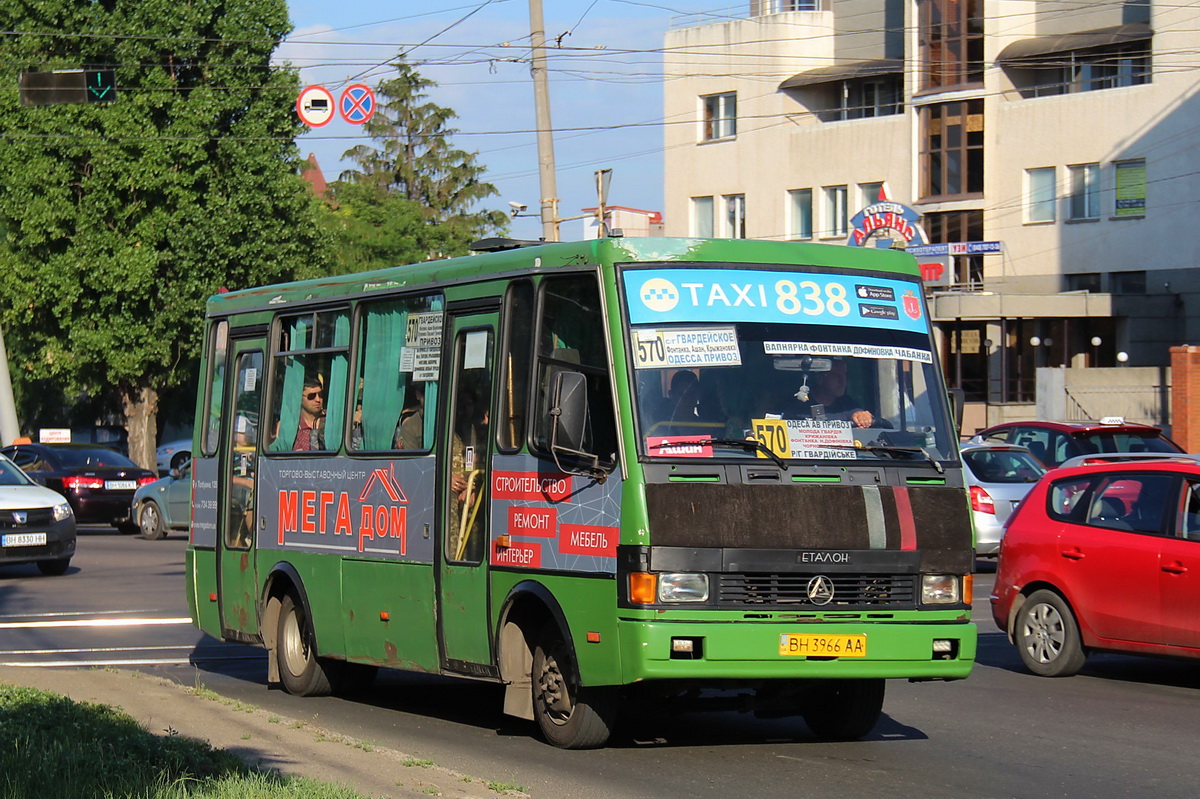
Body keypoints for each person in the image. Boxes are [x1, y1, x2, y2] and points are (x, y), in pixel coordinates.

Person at [793, 359, 874, 428]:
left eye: (845, 375)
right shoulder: (797, 407)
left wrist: (863, 417)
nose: (843, 381)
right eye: (836, 375)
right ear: (819, 378)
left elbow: (858, 414)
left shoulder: (847, 405)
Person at [292, 376, 326, 450]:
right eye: (311, 396)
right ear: (300, 398)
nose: (318, 400)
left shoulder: (331, 420)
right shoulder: (292, 426)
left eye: (320, 395)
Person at [394, 382, 426, 450]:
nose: (429, 397)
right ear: (418, 395)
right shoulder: (410, 428)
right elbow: (413, 459)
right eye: (424, 392)